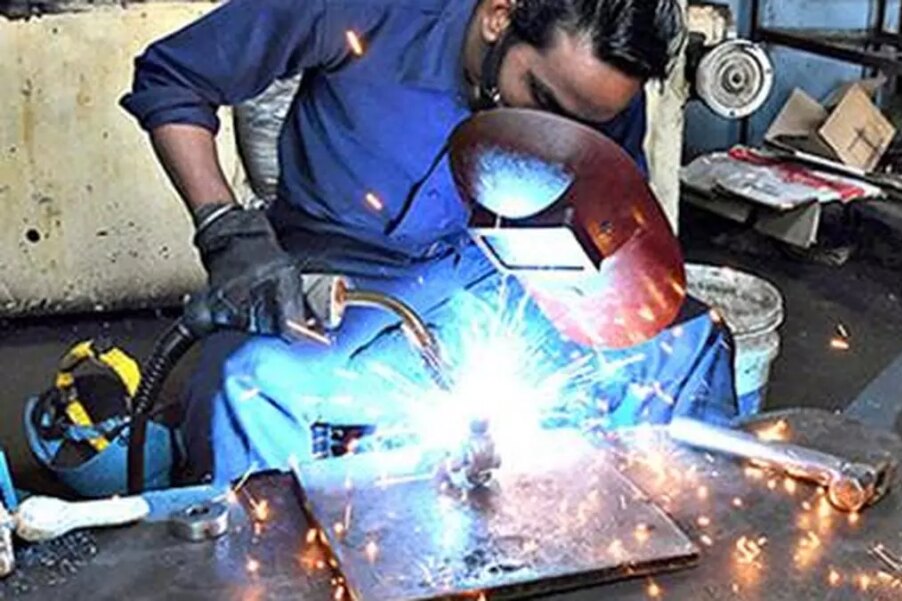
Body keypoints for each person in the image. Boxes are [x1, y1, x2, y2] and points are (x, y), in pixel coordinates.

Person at [121, 0, 739, 485]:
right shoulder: (373, 9)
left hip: (494, 271)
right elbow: (174, 77)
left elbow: (612, 228)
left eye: (588, 123)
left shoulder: (598, 94)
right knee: (246, 390)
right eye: (544, 98)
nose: (559, 131)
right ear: (501, 15)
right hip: (345, 281)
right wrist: (225, 228)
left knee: (687, 343)